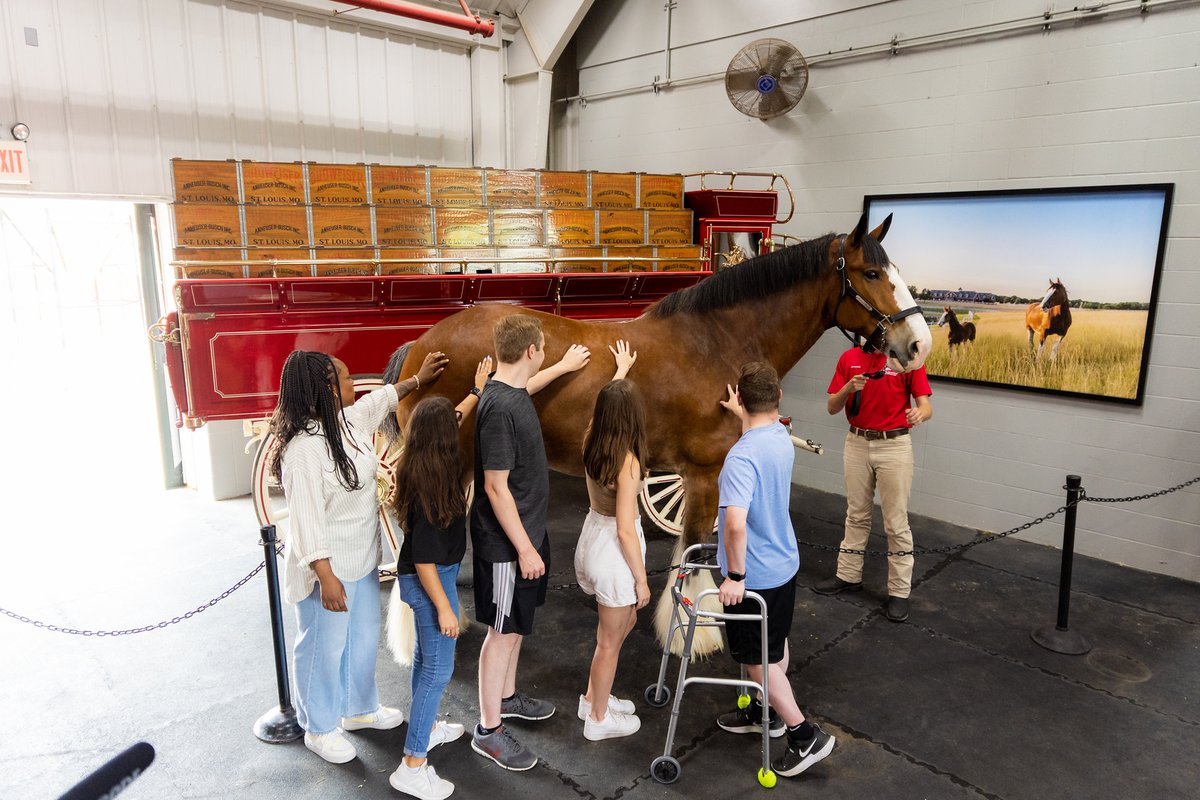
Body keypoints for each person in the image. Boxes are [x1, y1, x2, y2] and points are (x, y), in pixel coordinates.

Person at [269, 348, 447, 765]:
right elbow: (307, 521)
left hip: (363, 559)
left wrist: (416, 380)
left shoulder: (347, 422)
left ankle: (359, 708)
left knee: (363, 638)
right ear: (327, 390)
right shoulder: (303, 451)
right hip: (326, 569)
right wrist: (325, 576)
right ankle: (319, 727)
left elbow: (381, 397)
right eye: (346, 379)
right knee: (322, 649)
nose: (354, 385)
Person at [470, 315, 590, 771]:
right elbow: (496, 488)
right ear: (530, 351)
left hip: (527, 534)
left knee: (516, 624)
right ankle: (488, 730)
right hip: (506, 546)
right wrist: (523, 548)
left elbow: (528, 386)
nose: (542, 354)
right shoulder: (499, 409)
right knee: (500, 633)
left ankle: (507, 697)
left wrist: (562, 368)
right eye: (542, 349)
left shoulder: (510, 390)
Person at [714, 362, 835, 778]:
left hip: (756, 578)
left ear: (743, 399)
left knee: (757, 664)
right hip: (785, 566)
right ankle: (768, 713)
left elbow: (733, 523)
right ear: (779, 399)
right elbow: (759, 430)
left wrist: (735, 576)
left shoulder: (741, 456)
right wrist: (741, 413)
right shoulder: (781, 436)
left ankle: (804, 736)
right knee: (775, 647)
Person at [387, 358, 491, 800]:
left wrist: (477, 388)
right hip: (429, 579)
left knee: (425, 660)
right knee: (439, 669)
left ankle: (423, 730)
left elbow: (451, 415)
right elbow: (427, 561)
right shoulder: (433, 485)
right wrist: (447, 607)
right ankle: (412, 764)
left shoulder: (419, 461)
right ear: (444, 442)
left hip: (423, 576)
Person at [813, 345, 933, 623]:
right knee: (856, 514)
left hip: (895, 445)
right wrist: (848, 389)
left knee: (896, 522)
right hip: (856, 442)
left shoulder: (907, 358)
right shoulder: (849, 358)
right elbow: (832, 407)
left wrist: (920, 414)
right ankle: (848, 576)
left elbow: (926, 406)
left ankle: (899, 592)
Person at [574, 341, 647, 741]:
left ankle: (592, 697)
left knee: (622, 626)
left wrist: (620, 371)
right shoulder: (629, 461)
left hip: (591, 537)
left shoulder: (592, 439)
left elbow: (606, 406)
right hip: (614, 550)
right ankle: (598, 720)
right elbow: (624, 527)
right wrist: (641, 579)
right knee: (609, 642)